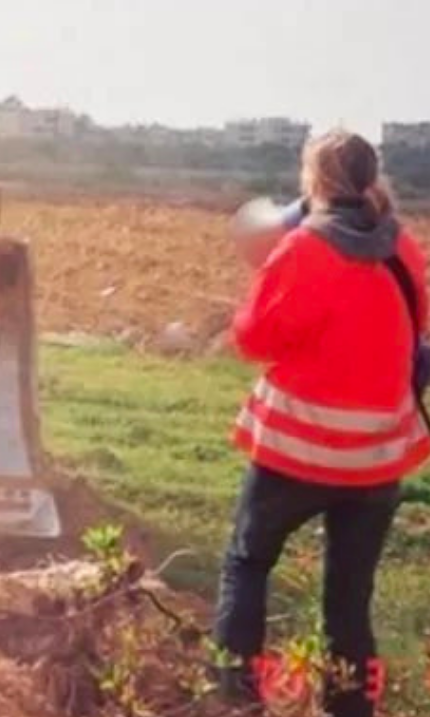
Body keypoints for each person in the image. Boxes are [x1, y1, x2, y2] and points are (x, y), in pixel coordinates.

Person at [214, 129, 430, 717]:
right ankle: (352, 709)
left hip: (298, 451)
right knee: (349, 600)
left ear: (314, 181)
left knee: (247, 562)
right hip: (378, 459)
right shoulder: (403, 249)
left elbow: (255, 338)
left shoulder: (304, 250)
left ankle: (235, 699)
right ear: (370, 179)